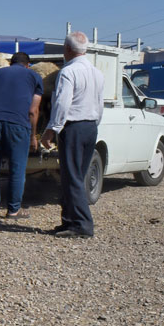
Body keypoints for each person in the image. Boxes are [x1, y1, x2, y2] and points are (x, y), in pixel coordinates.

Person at [39, 31, 104, 238]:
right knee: (78, 175)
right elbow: (100, 103)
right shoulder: (97, 72)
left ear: (67, 49)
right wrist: (94, 123)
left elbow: (62, 104)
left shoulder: (68, 72)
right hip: (90, 126)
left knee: (71, 177)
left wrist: (51, 131)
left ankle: (83, 225)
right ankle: (69, 220)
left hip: (73, 127)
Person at [0, 51, 43, 221]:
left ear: (10, 62)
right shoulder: (34, 77)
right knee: (17, 167)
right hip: (18, 124)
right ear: (27, 64)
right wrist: (33, 136)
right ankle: (13, 210)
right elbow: (33, 110)